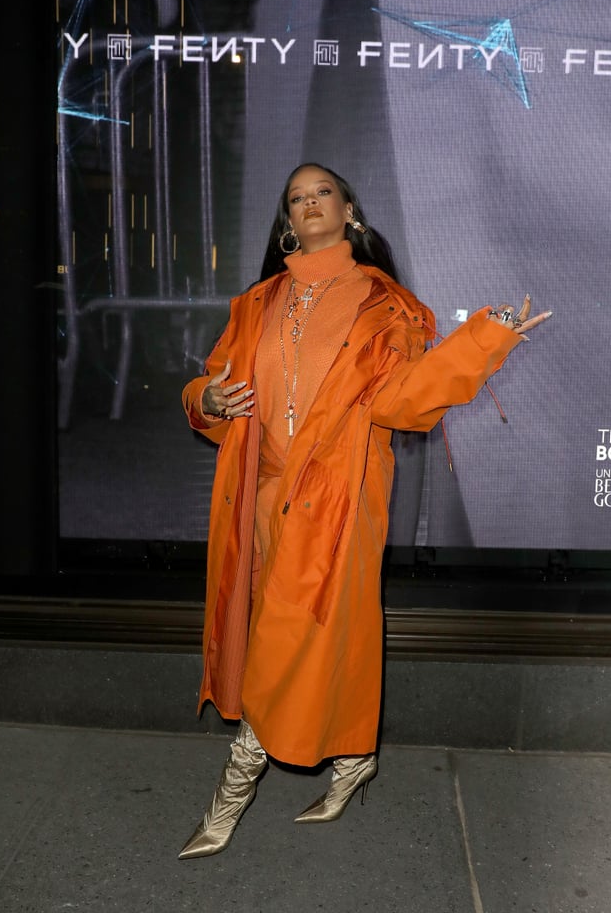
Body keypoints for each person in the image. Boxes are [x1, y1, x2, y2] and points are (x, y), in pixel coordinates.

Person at [178, 162, 551, 859]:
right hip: (258, 502)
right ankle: (353, 763)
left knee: (284, 643)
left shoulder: (386, 306)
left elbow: (402, 401)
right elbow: (211, 384)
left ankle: (229, 797)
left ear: (349, 210)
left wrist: (483, 339)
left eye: (322, 192)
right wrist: (206, 398)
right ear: (286, 221)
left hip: (339, 501)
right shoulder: (254, 304)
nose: (309, 203)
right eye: (296, 197)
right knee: (294, 635)